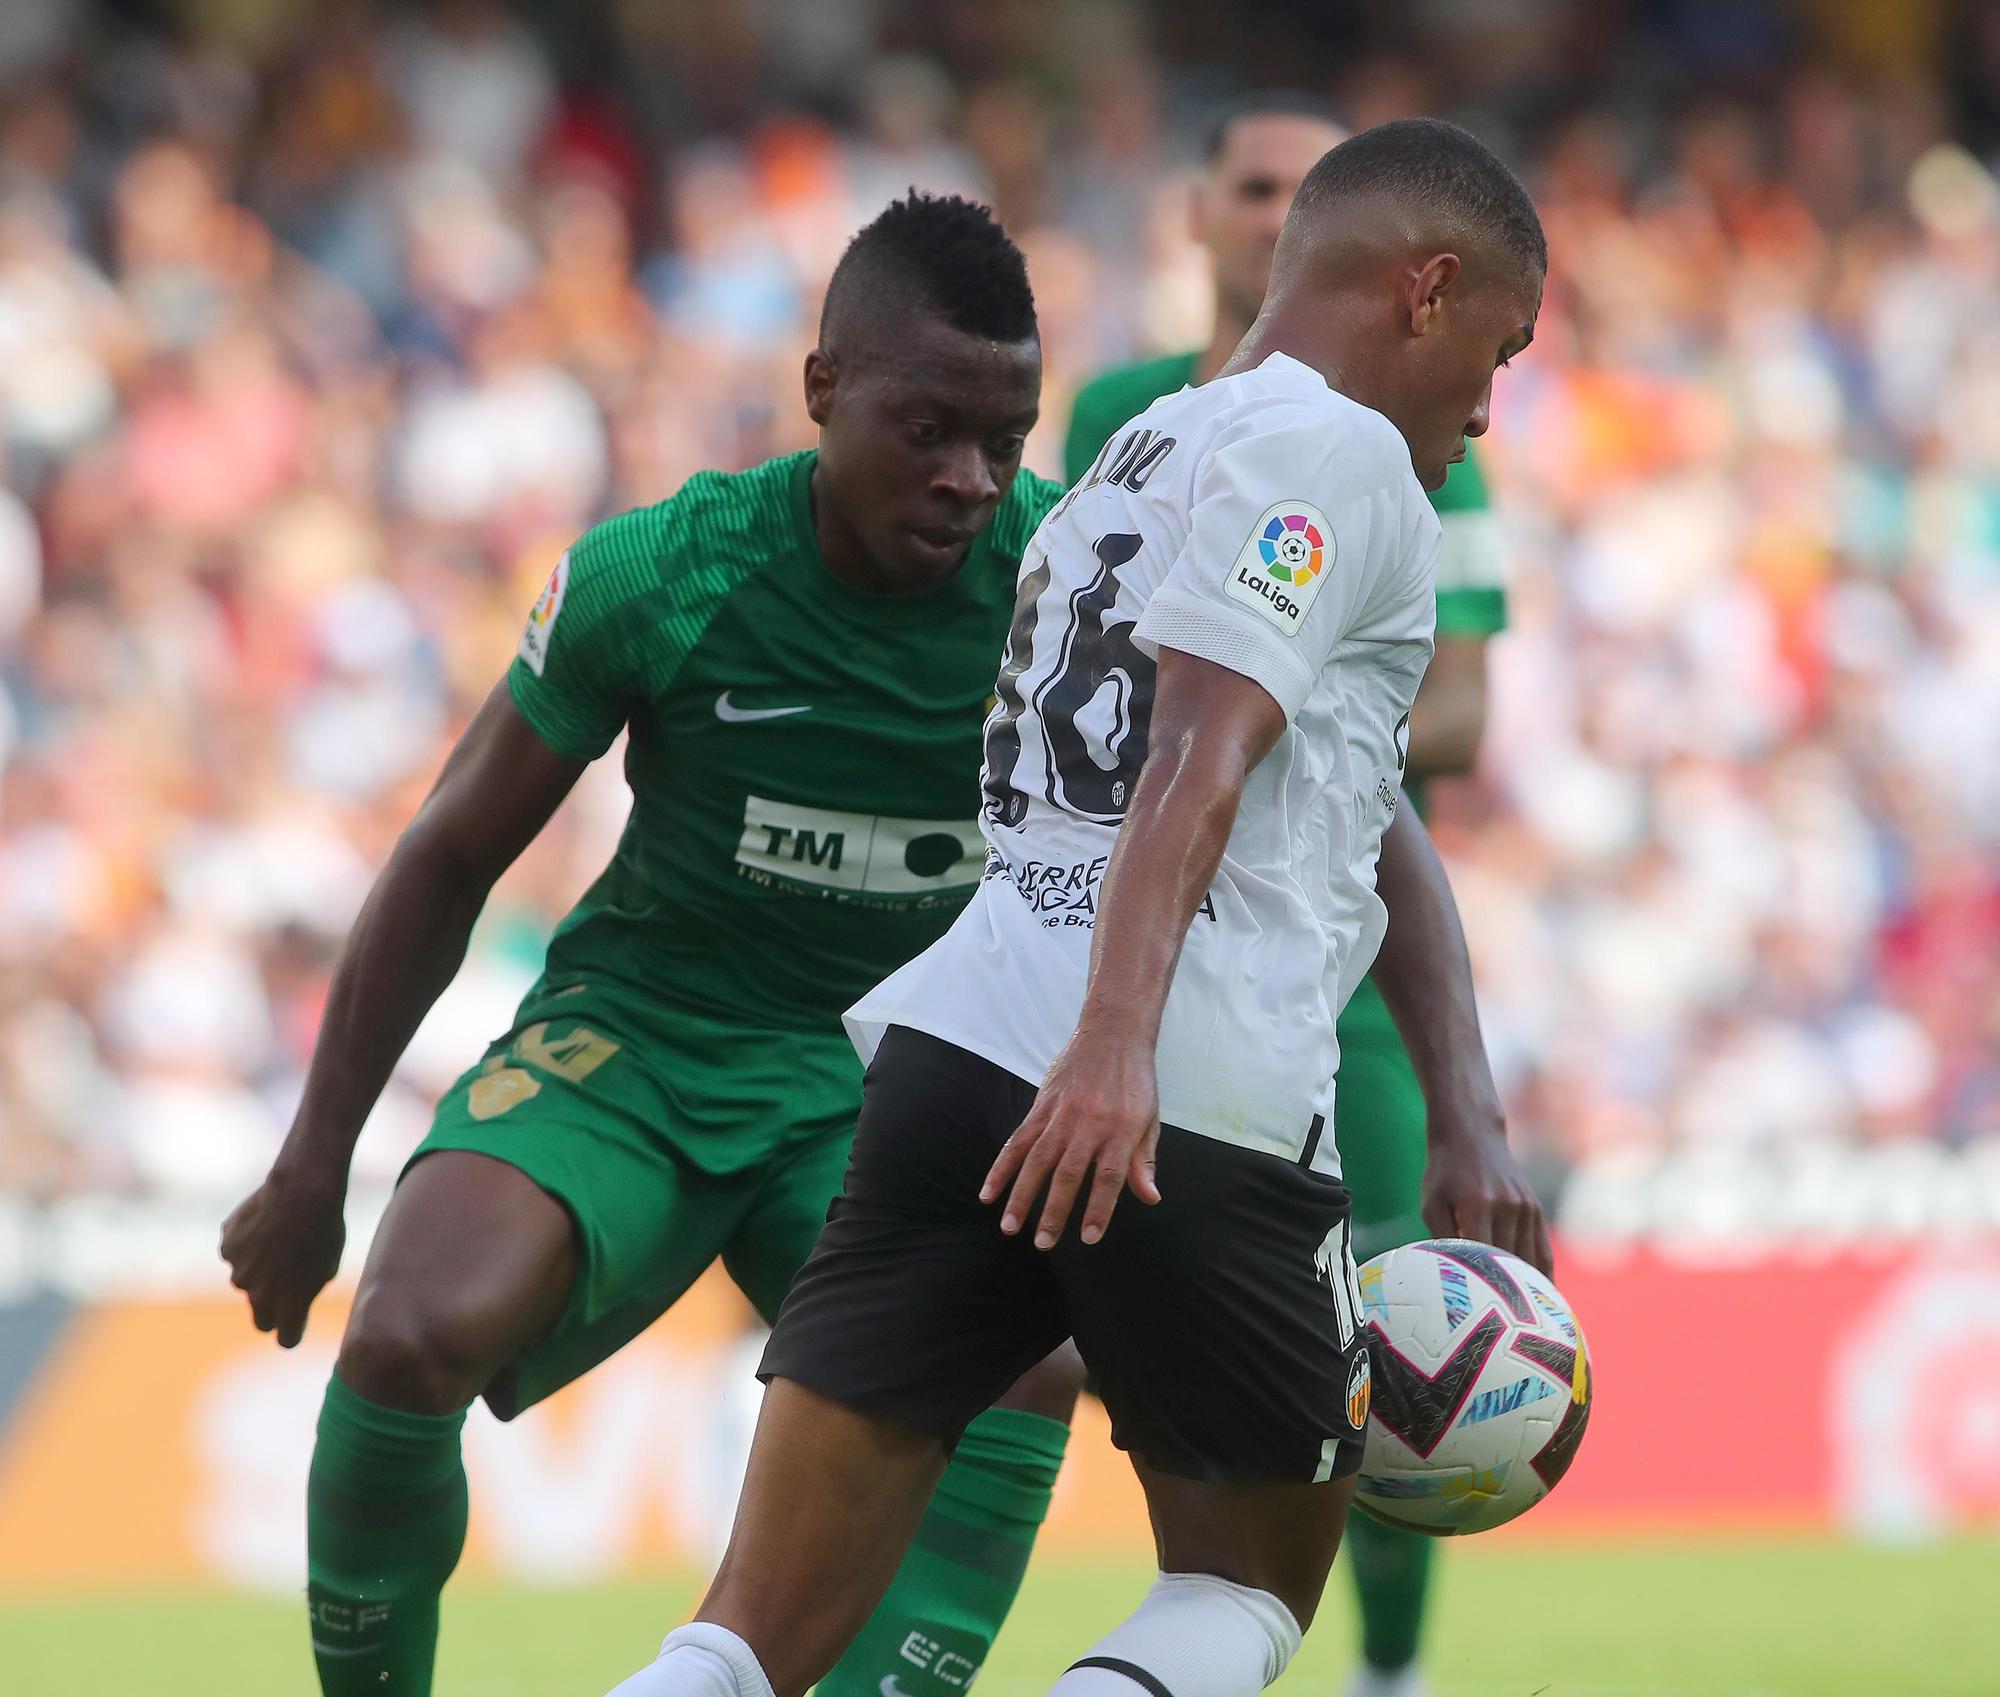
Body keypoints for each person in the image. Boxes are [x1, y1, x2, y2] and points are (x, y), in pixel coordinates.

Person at [601, 117, 1549, 1697]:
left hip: (953, 1056)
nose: (1489, 401)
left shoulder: (1140, 450)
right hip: (1188, 1090)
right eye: (1501, 348)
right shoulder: (1344, 459)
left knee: (742, 1635)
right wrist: (1117, 1045)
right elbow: (1200, 742)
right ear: (1430, 290)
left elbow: (1329, 786)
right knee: (1240, 1595)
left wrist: (1459, 1094)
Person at [219, 193, 1083, 1697]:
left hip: (889, 1077)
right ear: (821, 390)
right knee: (410, 1331)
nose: (968, 478)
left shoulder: (1072, 584)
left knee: (1023, 1362)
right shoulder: (663, 572)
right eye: (927, 426)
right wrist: (311, 1162)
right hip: (644, 1036)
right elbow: (447, 857)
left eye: (1002, 441)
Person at [1066, 92, 1512, 1697]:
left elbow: (1451, 714)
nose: (1269, 211)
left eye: (1296, 189)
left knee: (1397, 1357)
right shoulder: (1119, 407)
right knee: (1064, 1365)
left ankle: (1382, 1674)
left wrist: (1297, 680)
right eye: (1248, 183)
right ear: (1198, 213)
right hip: (1138, 945)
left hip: (1340, 954)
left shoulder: (1421, 435)